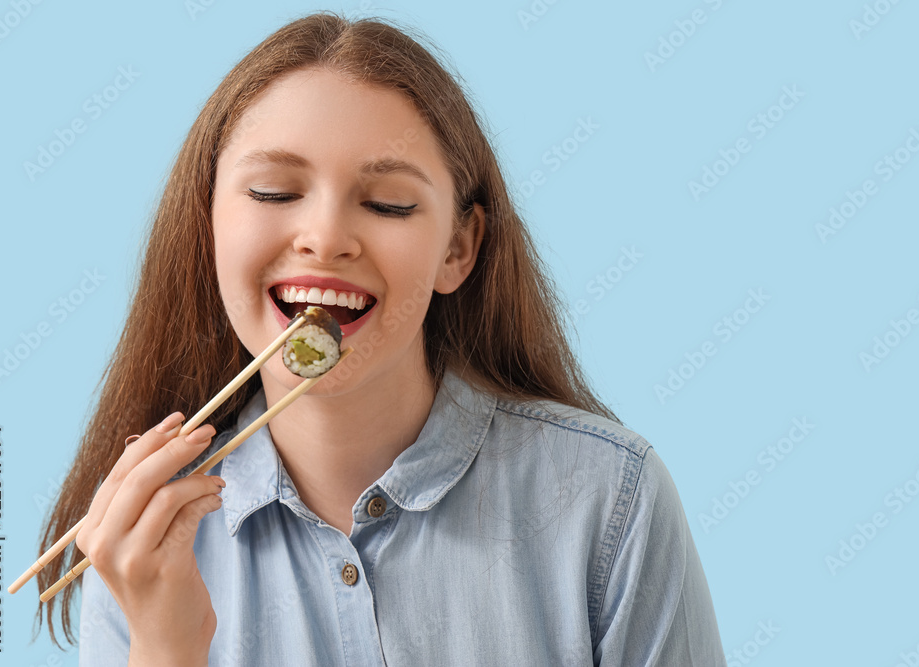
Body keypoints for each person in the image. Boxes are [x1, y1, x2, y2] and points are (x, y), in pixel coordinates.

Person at [38, 12, 725, 666]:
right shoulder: (141, 540)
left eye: (388, 203)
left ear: (459, 247)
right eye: (275, 193)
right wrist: (165, 645)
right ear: (208, 225)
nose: (326, 237)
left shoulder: (608, 498)